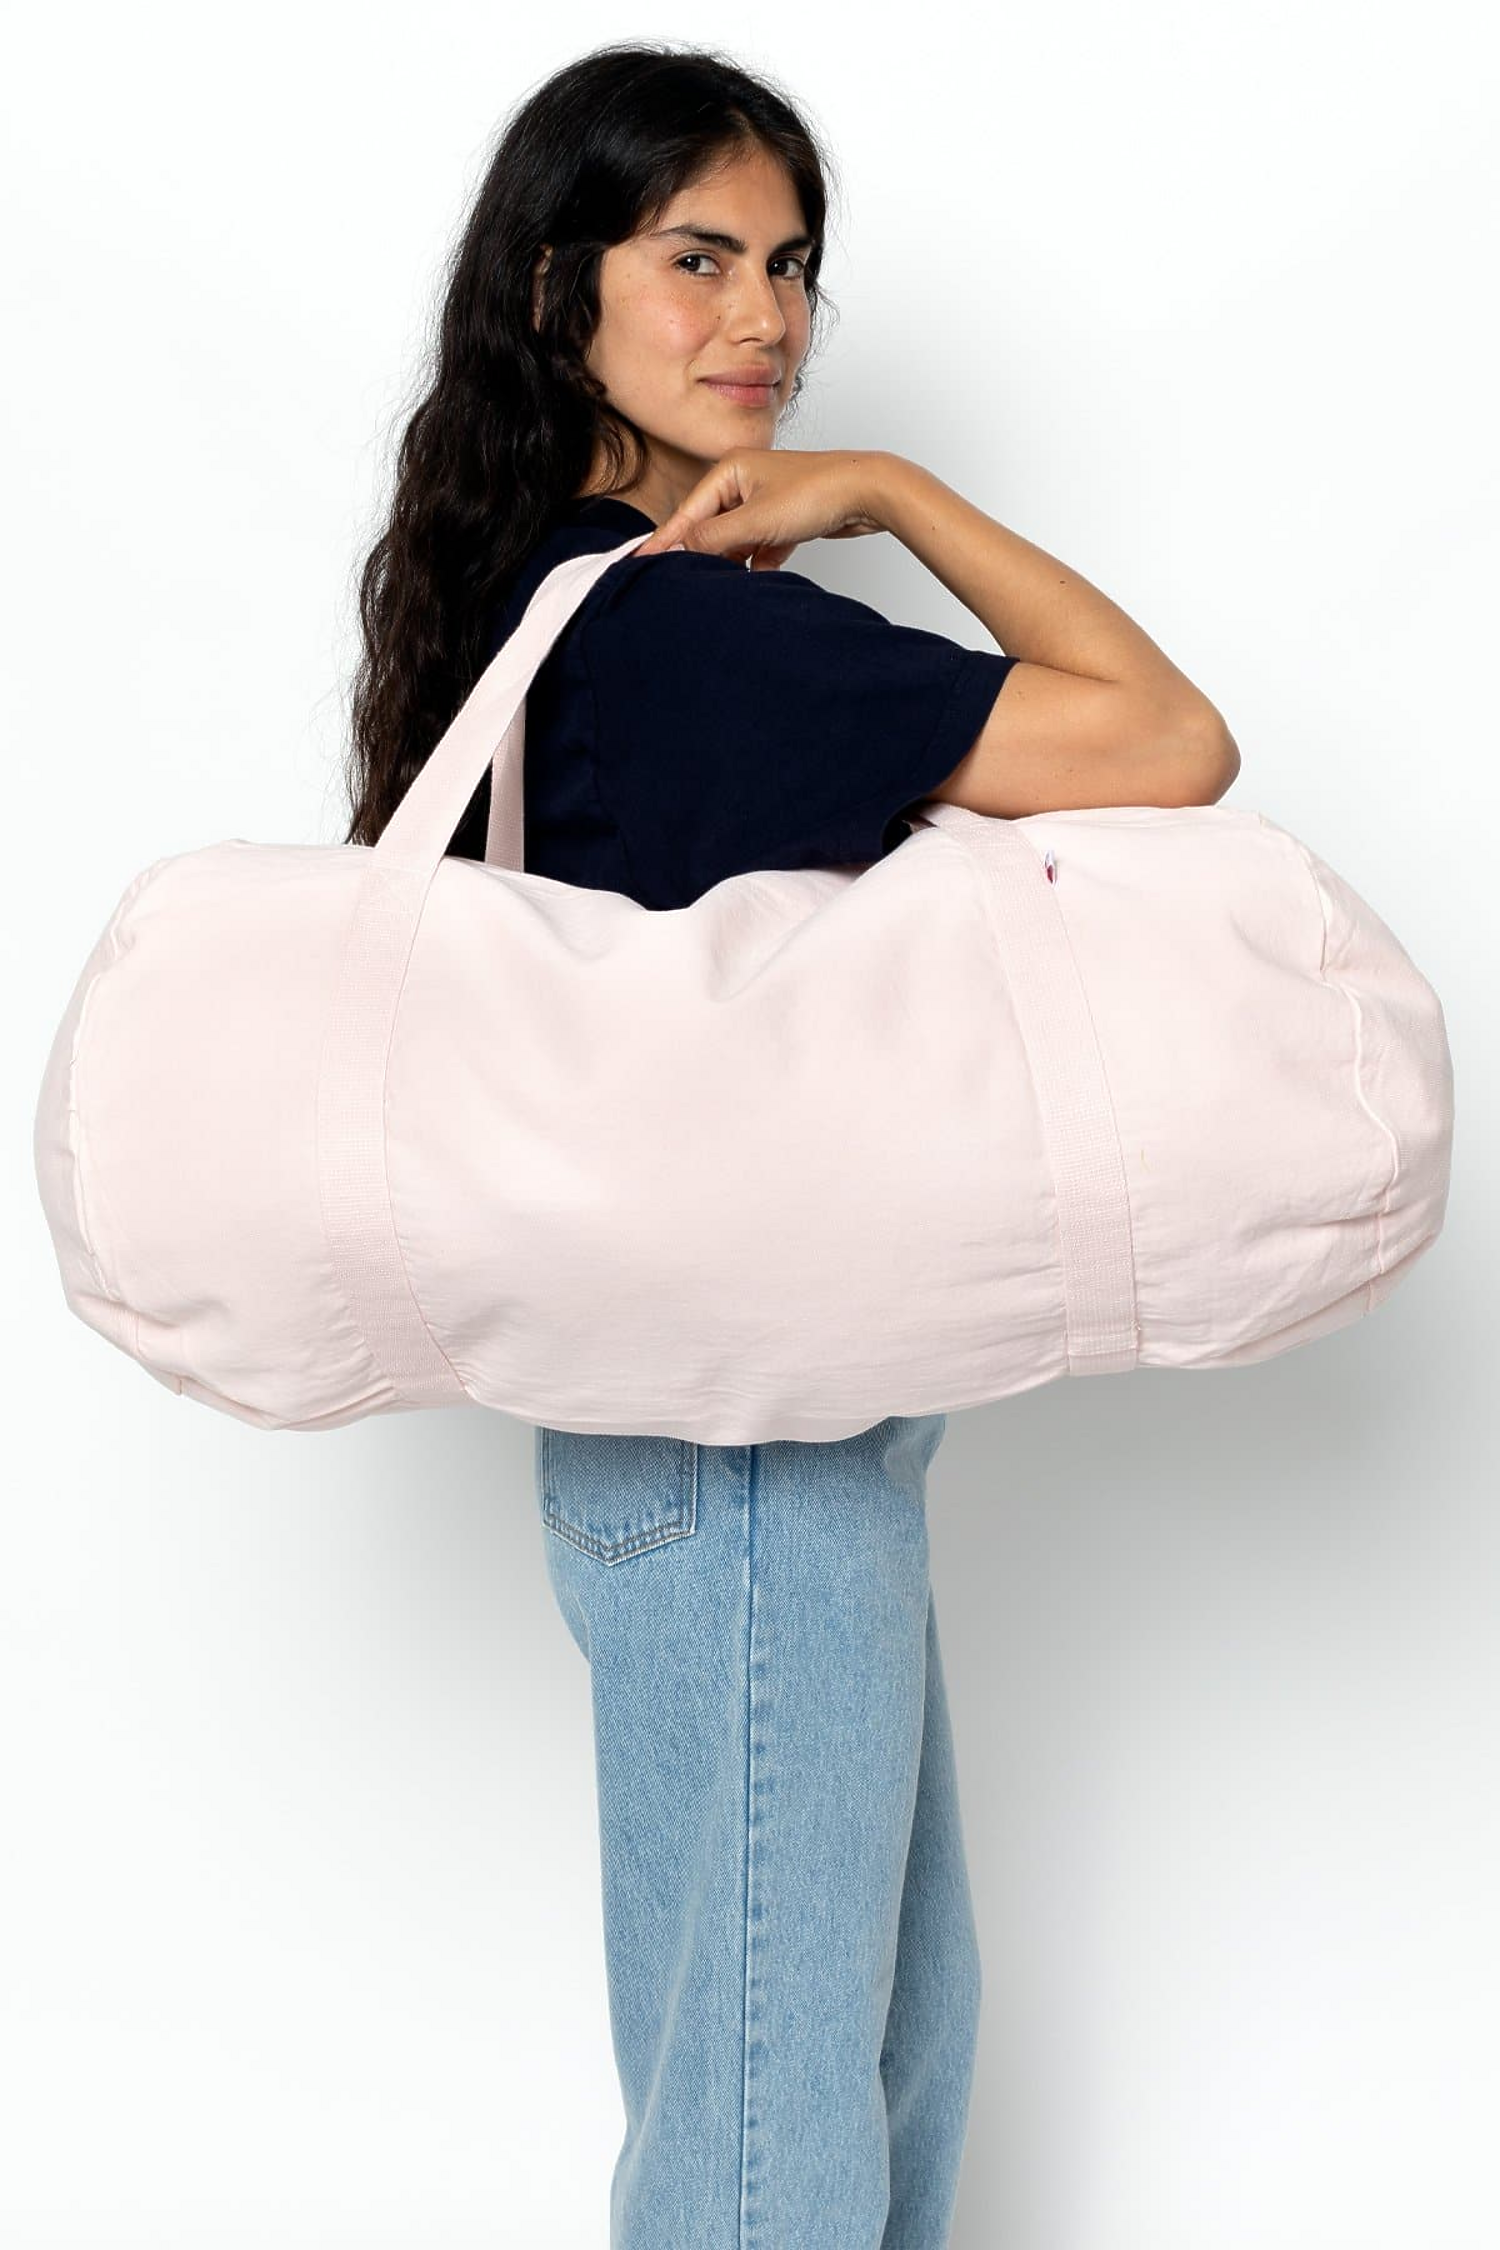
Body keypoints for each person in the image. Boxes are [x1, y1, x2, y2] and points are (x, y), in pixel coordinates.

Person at [343, 43, 1238, 2250]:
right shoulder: (679, 634)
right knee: (779, 2125)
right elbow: (1172, 738)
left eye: (793, 264)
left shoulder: (531, 599)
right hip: (750, 1449)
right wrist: (898, 495)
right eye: (700, 257)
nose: (765, 318)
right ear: (557, 290)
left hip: (696, 1423)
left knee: (851, 2066)